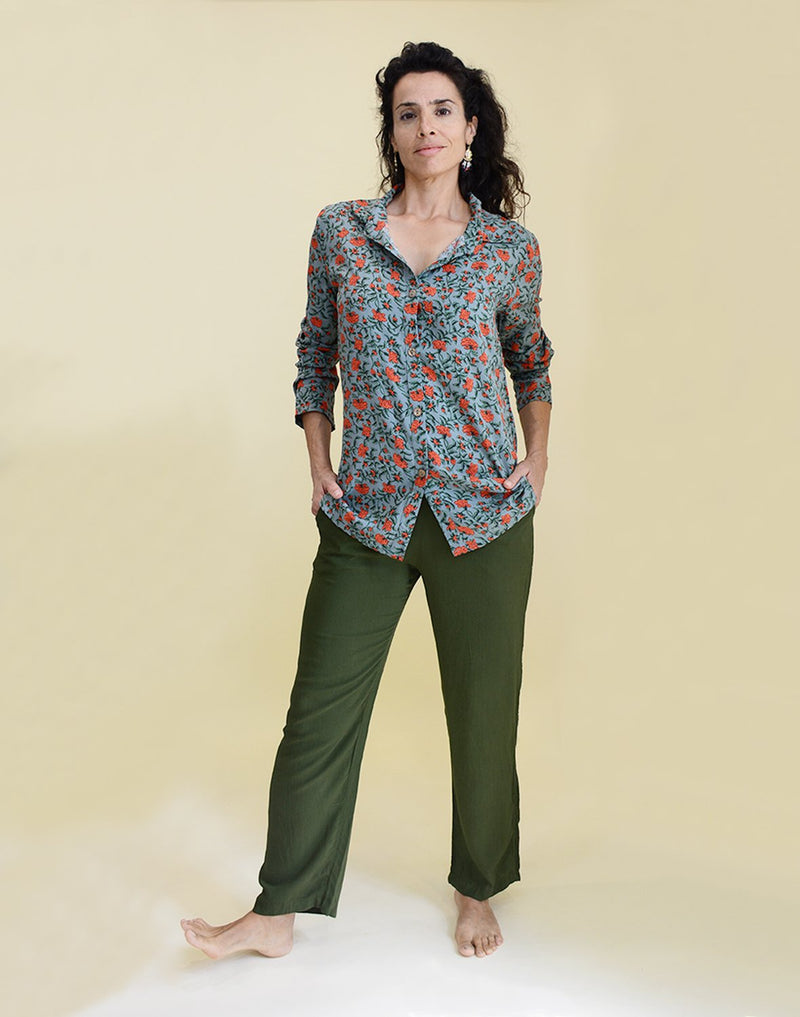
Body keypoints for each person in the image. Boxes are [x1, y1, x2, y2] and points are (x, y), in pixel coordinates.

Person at [181, 40, 554, 961]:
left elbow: (531, 360)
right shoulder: (342, 232)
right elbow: (315, 349)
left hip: (483, 512)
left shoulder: (508, 249)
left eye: (442, 110)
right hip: (369, 511)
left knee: (483, 713)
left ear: (470, 128)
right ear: (392, 132)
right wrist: (318, 453)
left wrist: (537, 457)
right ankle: (276, 911)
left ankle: (476, 888)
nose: (426, 127)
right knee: (318, 712)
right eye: (407, 113)